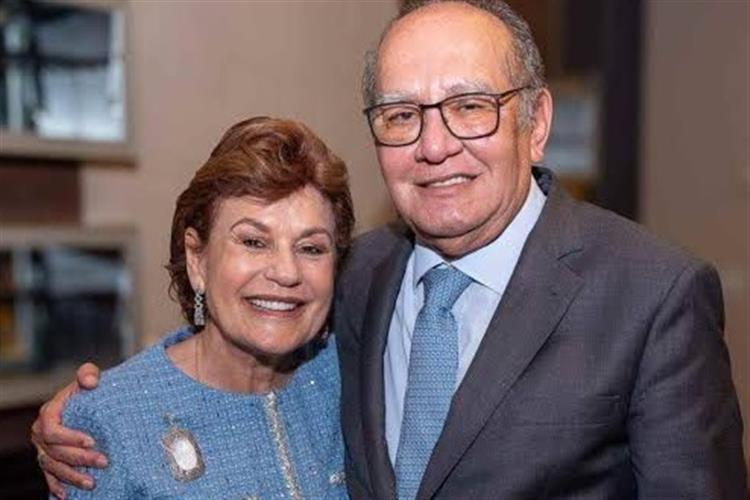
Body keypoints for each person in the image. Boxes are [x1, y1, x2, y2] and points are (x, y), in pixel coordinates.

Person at [33, 1, 746, 499]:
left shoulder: (653, 295)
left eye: (470, 107)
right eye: (402, 115)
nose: (434, 146)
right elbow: (237, 342)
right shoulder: (354, 274)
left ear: (534, 123)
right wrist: (103, 409)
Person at [36, 116, 354, 498]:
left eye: (311, 248)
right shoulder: (107, 424)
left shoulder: (351, 374)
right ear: (197, 259)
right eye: (253, 242)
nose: (286, 272)